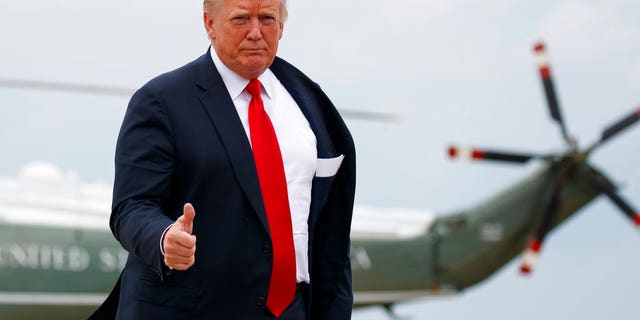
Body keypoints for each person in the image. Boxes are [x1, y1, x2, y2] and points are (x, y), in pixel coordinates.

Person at [91, 0, 355, 319]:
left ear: (282, 27)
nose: (256, 32)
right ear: (209, 24)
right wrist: (163, 238)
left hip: (290, 310)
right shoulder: (160, 101)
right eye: (241, 19)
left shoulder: (310, 102)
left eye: (267, 19)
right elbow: (131, 207)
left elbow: (330, 225)